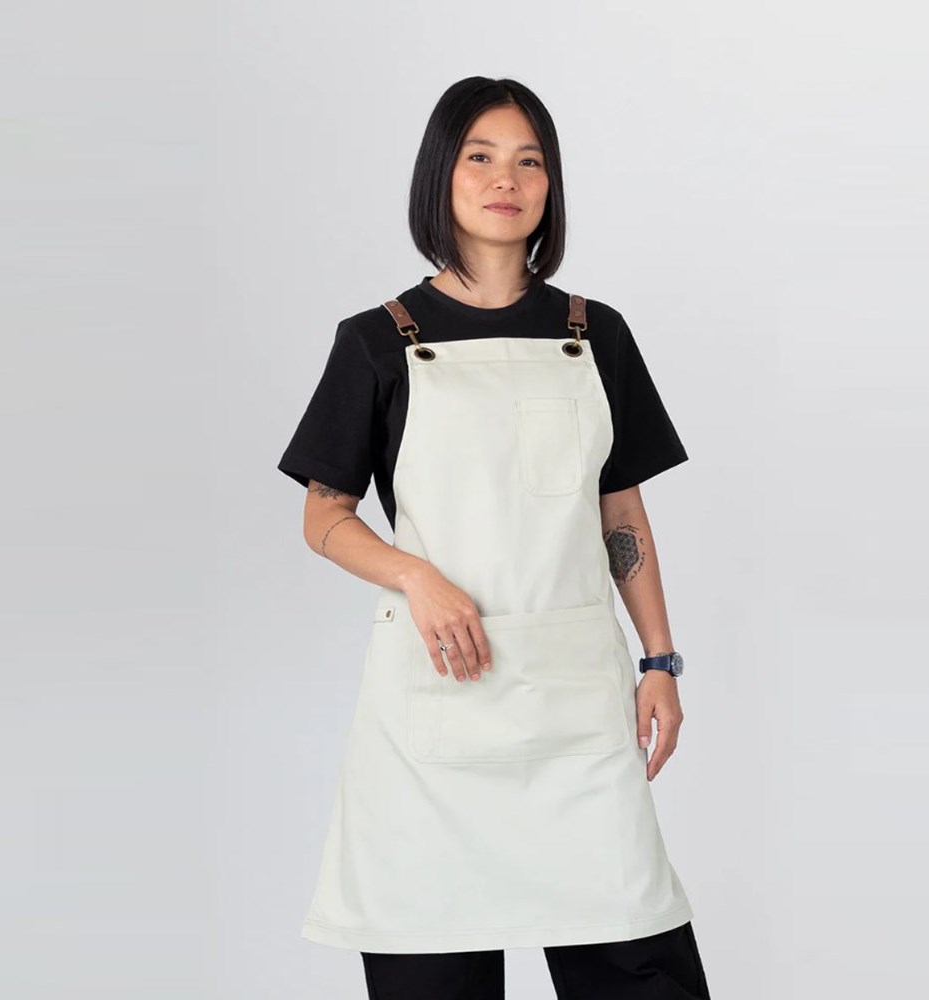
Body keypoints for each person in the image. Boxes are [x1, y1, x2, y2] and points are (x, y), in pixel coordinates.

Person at [277, 76, 711, 1000]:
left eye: (529, 161)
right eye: (480, 157)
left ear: (551, 185)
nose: (505, 179)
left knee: (639, 966)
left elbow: (621, 515)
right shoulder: (378, 340)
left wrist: (660, 661)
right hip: (435, 707)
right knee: (433, 970)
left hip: (577, 714)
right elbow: (324, 516)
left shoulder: (595, 334)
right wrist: (416, 576)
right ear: (442, 174)